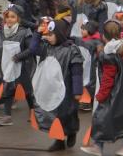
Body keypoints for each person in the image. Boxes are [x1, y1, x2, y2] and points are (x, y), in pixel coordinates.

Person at [80, 20, 123, 156]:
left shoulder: (108, 54)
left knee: (100, 118)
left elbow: (108, 78)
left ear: (104, 36)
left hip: (112, 94)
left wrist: (101, 95)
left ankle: (97, 147)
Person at [29, 18, 83, 152]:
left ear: (59, 33)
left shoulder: (71, 49)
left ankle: (71, 131)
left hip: (67, 89)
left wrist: (77, 90)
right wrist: (38, 33)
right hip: (52, 89)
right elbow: (32, 49)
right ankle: (59, 141)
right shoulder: (46, 47)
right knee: (54, 116)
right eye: (46, 35)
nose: (48, 38)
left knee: (68, 113)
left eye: (50, 35)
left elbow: (77, 72)